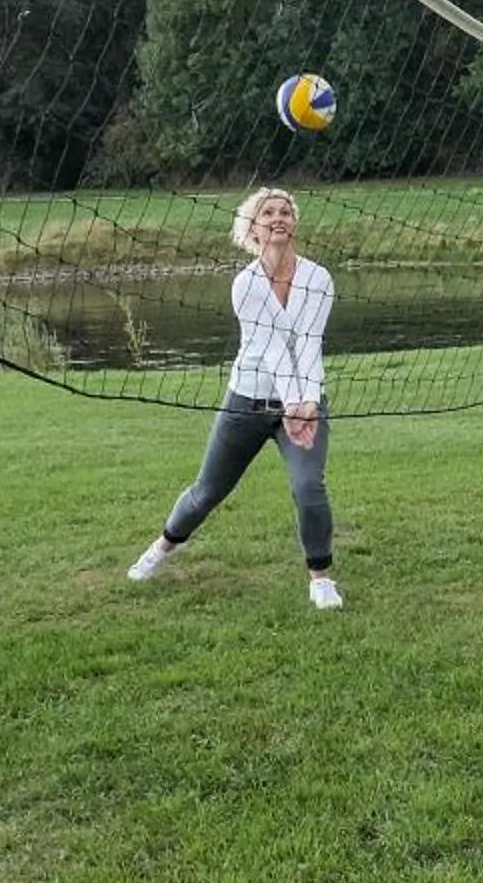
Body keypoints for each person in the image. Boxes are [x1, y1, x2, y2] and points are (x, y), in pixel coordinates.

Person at [127, 186, 344, 610]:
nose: (278, 217)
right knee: (207, 491)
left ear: (294, 223)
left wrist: (308, 404)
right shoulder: (245, 284)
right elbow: (271, 348)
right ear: (253, 229)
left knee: (309, 486)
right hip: (246, 402)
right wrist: (294, 403)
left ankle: (321, 579)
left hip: (305, 405)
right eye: (268, 213)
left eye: (285, 211)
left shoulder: (319, 278)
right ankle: (162, 548)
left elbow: (310, 344)